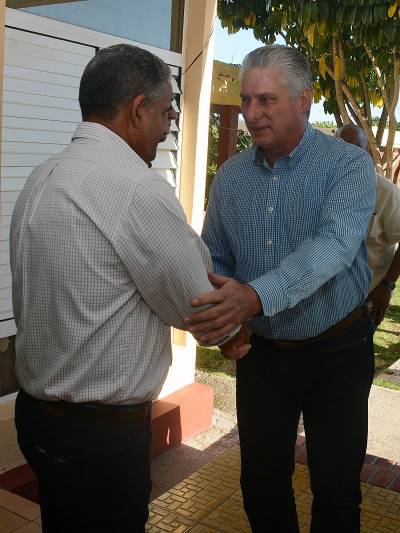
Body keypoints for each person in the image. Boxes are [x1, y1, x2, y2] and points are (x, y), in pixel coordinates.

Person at [10, 44, 247, 533]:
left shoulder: (41, 177)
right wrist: (233, 334)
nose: (169, 125)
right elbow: (198, 302)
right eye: (165, 111)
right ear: (137, 109)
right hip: (99, 438)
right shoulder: (135, 189)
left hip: (37, 421)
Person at [184, 45, 376, 533]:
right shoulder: (230, 177)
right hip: (264, 356)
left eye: (266, 100)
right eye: (247, 99)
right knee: (261, 482)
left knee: (335, 489)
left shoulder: (347, 167)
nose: (251, 113)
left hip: (338, 350)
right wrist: (229, 322)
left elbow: (332, 248)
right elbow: (217, 259)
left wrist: (253, 297)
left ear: (304, 100)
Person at [336, 124, 400, 326]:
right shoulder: (322, 189)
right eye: (340, 147)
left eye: (355, 148)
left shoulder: (385, 192)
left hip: (366, 305)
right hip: (323, 306)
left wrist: (387, 286)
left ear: (366, 153)